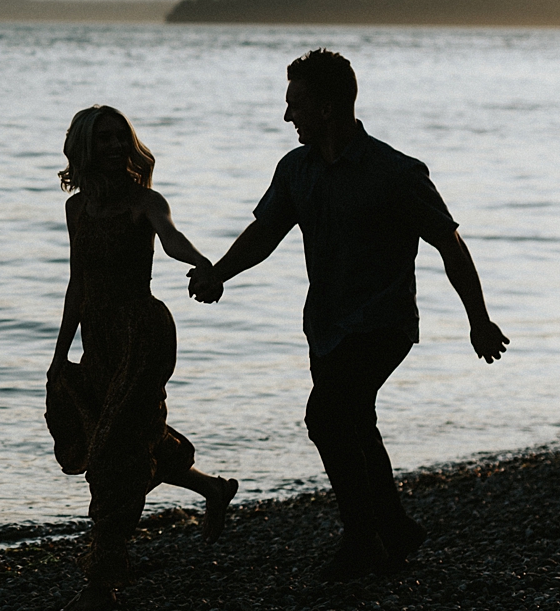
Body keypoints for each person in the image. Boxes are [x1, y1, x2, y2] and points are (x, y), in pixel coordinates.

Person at [188, 49, 508, 581]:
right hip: (326, 326)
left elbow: (450, 245)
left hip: (384, 324)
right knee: (356, 422)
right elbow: (266, 233)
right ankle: (395, 529)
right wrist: (219, 273)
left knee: (326, 416)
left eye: (295, 104)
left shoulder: (395, 172)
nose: (287, 116)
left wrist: (478, 319)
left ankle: (362, 540)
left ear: (329, 107)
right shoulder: (295, 170)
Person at [48, 104, 238, 611]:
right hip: (99, 338)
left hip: (142, 334)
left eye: (120, 138)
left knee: (114, 452)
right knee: (126, 433)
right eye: (103, 139)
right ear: (85, 147)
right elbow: (78, 283)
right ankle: (214, 489)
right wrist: (60, 353)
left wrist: (204, 264)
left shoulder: (145, 202)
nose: (114, 146)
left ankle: (102, 582)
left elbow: (172, 239)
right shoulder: (77, 209)